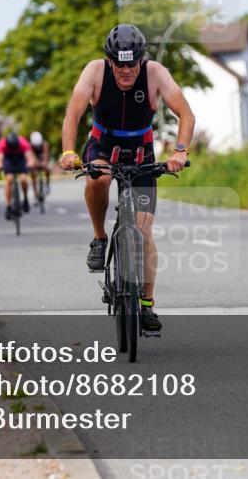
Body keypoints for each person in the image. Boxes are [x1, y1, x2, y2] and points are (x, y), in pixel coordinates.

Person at [59, 24, 194, 333]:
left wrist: (180, 152)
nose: (125, 70)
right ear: (109, 61)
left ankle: (147, 305)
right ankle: (99, 237)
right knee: (98, 180)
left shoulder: (155, 73)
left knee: (144, 231)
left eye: (131, 63)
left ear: (140, 59)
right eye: (119, 64)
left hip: (141, 152)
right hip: (102, 146)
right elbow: (73, 114)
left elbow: (186, 113)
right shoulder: (94, 71)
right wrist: (68, 150)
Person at [0, 130, 37, 220]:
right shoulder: (2, 143)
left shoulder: (23, 143)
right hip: (8, 160)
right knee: (9, 179)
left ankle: (25, 199)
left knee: (23, 179)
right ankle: (8, 206)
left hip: (20, 159)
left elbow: (30, 157)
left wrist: (30, 164)